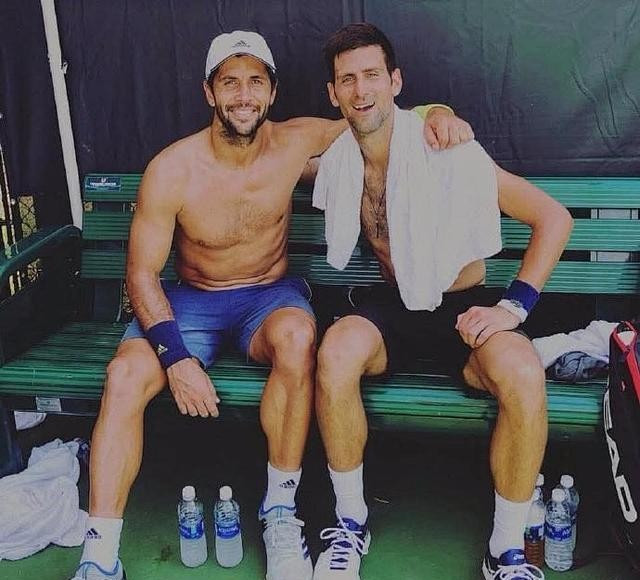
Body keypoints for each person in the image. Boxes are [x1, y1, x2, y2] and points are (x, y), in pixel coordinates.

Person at [70, 29, 473, 580]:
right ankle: (99, 556)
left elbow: (376, 116)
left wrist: (436, 112)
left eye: (255, 82)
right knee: (122, 377)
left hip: (268, 297)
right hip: (192, 303)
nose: (244, 96)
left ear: (272, 91)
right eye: (230, 83)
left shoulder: (296, 140)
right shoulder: (173, 168)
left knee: (299, 339)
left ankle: (280, 511)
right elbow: (140, 273)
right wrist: (176, 358)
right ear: (209, 92)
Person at [311, 23, 573, 580]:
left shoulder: (448, 149)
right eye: (347, 80)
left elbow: (554, 218)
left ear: (395, 81)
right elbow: (269, 155)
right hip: (394, 308)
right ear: (332, 93)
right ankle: (350, 523)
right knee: (335, 351)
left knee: (523, 372)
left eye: (372, 76)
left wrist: (512, 309)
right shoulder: (337, 158)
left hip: (463, 309)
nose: (361, 90)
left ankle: (506, 550)